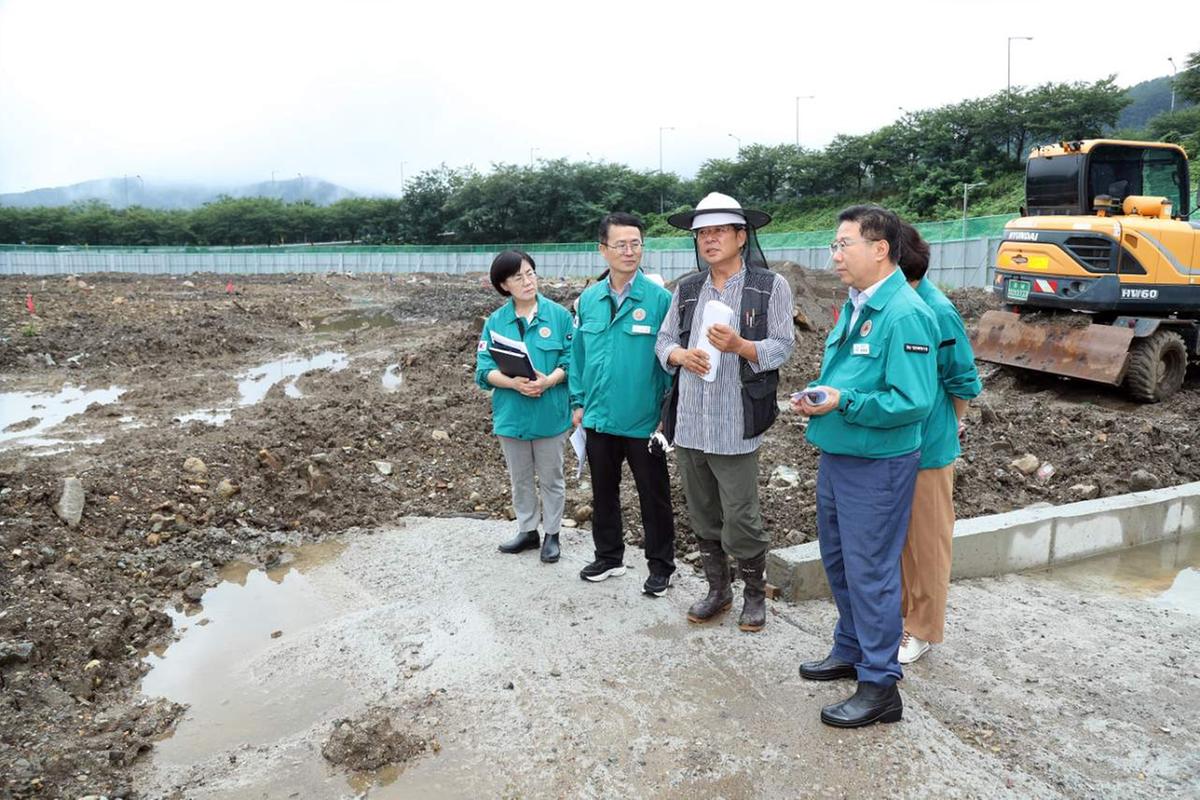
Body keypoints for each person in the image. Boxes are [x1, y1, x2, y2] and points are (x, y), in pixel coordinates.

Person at [793, 204, 938, 728]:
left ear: (880, 249)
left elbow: (914, 400)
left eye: (842, 244)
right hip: (841, 454)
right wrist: (821, 397)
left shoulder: (905, 313)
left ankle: (879, 686)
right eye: (834, 245)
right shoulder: (859, 303)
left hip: (877, 464)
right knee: (840, 561)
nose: (834, 255)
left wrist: (844, 402)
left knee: (871, 572)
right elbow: (853, 374)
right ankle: (851, 646)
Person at [655, 192, 795, 632]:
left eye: (719, 231)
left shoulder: (769, 286)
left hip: (735, 424)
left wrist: (741, 346)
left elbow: (782, 347)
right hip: (690, 421)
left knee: (741, 515)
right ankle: (719, 590)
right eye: (702, 233)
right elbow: (662, 342)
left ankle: (755, 594)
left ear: (741, 236)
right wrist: (679, 356)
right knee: (701, 512)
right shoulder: (688, 289)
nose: (709, 240)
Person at [569, 212, 676, 594]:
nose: (630, 251)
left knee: (654, 496)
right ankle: (609, 556)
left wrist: (667, 414)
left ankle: (661, 565)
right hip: (598, 416)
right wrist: (578, 403)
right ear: (603, 250)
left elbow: (669, 359)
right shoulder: (589, 300)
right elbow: (577, 356)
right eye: (621, 244)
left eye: (636, 244)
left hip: (643, 419)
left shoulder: (660, 299)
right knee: (603, 491)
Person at [895, 223, 982, 664]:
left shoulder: (936, 310)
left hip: (929, 445)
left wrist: (952, 424)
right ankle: (902, 617)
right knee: (899, 542)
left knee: (926, 544)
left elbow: (963, 379)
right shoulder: (896, 304)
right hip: (895, 444)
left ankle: (922, 628)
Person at [475, 250, 573, 563]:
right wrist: (514, 383)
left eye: (530, 273)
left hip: (549, 414)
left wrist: (548, 381)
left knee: (551, 477)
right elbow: (483, 370)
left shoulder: (558, 315)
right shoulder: (495, 322)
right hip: (512, 415)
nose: (528, 281)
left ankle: (553, 534)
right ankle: (528, 530)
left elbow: (572, 361)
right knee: (520, 479)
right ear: (505, 286)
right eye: (518, 277)